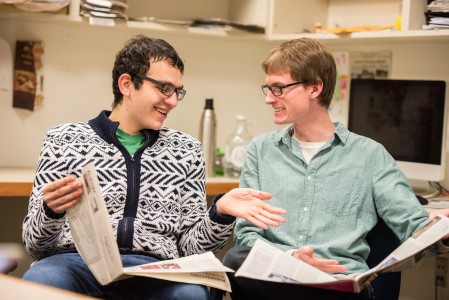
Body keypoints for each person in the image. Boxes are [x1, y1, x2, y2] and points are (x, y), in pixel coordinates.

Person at [21, 35, 286, 300]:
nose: (172, 101)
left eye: (177, 91)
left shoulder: (187, 150)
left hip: (156, 271)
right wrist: (50, 211)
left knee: (191, 295)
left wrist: (219, 214)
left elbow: (190, 248)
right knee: (42, 279)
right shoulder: (63, 140)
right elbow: (36, 246)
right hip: (77, 264)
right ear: (126, 84)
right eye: (163, 88)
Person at [222, 37, 449, 300]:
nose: (269, 99)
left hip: (339, 283)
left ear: (314, 88)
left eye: (279, 88)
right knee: (235, 258)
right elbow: (246, 235)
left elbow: (414, 226)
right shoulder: (260, 151)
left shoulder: (370, 155)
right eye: (268, 88)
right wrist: (292, 259)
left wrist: (441, 230)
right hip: (275, 278)